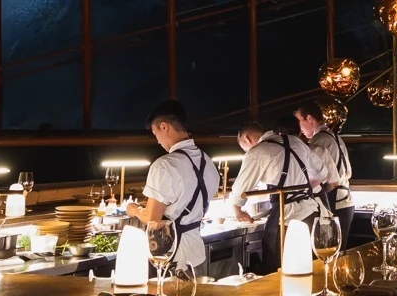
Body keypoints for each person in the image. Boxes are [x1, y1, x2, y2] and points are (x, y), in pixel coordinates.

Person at [126, 101, 214, 271]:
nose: (158, 141)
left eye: (155, 133)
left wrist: (134, 210)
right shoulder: (207, 161)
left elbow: (152, 219)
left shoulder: (164, 165)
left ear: (164, 127)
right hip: (197, 253)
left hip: (171, 257)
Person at [230, 118, 325, 269]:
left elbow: (241, 189)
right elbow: (321, 173)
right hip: (310, 213)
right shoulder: (298, 143)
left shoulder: (258, 151)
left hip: (283, 218)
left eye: (244, 148)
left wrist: (237, 210)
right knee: (308, 267)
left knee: (276, 268)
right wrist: (299, 188)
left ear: (246, 139)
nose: (246, 151)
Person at [294, 99, 354, 242]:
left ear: (309, 118)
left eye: (299, 122)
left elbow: (322, 177)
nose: (299, 128)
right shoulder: (335, 136)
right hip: (345, 199)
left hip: (334, 201)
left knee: (329, 247)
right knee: (338, 247)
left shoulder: (318, 141)